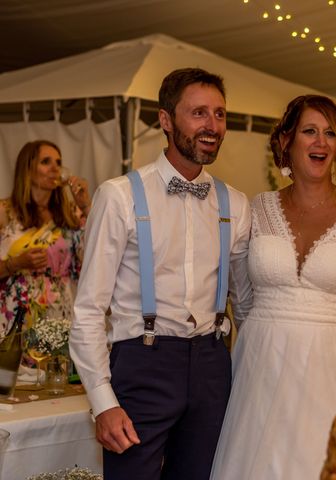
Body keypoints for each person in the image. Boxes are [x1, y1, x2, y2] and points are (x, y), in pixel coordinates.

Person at [70, 68, 252, 480]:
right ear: (166, 120)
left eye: (220, 114)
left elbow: (246, 306)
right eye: (199, 113)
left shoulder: (236, 204)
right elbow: (88, 309)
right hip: (142, 361)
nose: (213, 126)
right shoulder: (119, 196)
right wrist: (103, 402)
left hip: (211, 365)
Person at [210, 95, 336, 479]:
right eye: (310, 131)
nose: (321, 142)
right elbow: (239, 294)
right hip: (261, 368)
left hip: (335, 370)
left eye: (330, 134)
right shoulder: (256, 210)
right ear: (287, 140)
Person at [0, 140, 89, 333]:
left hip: (58, 317)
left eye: (58, 162)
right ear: (28, 168)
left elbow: (93, 259)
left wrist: (86, 207)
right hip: (14, 318)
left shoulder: (71, 214)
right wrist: (15, 264)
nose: (55, 168)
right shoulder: (5, 212)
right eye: (46, 162)